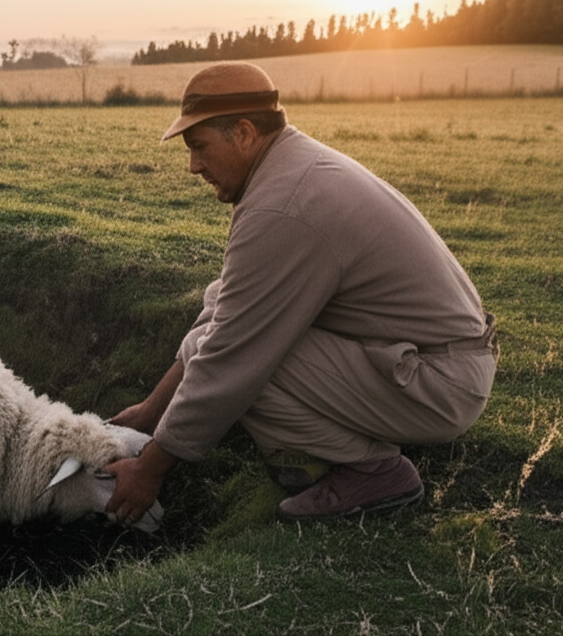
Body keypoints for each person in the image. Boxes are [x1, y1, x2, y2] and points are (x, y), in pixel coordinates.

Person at [104, 62, 497, 522]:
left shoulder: (283, 206)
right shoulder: (292, 168)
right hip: (427, 360)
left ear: (245, 133)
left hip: (440, 382)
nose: (193, 166)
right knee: (220, 310)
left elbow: (232, 357)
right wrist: (150, 414)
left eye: (199, 146)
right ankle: (352, 446)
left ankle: (372, 472)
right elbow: (227, 304)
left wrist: (148, 471)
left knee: (248, 363)